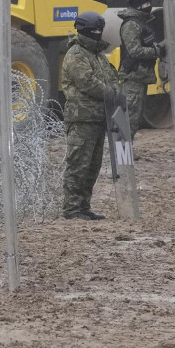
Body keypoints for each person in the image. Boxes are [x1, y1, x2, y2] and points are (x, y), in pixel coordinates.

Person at [61, 11, 121, 220]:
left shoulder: (97, 55)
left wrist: (115, 90)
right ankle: (72, 208)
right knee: (78, 164)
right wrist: (111, 93)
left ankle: (83, 206)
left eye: (99, 30)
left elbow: (112, 77)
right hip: (81, 118)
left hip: (98, 117)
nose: (97, 33)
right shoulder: (76, 54)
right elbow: (87, 82)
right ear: (83, 30)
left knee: (92, 166)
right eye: (93, 30)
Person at [117, 0, 166, 131]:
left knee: (136, 118)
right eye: (146, 4)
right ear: (137, 5)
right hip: (132, 77)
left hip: (140, 77)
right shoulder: (131, 24)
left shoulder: (141, 23)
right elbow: (135, 51)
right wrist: (156, 51)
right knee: (129, 118)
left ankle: (128, 152)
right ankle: (125, 152)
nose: (148, 7)